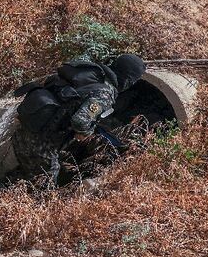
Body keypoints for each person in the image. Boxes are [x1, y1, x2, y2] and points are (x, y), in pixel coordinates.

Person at [11, 54, 146, 188]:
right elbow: (80, 121)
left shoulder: (91, 74)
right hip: (41, 145)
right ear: (128, 80)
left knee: (23, 174)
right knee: (44, 190)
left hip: (24, 130)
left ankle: (0, 190)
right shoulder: (105, 93)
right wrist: (85, 133)